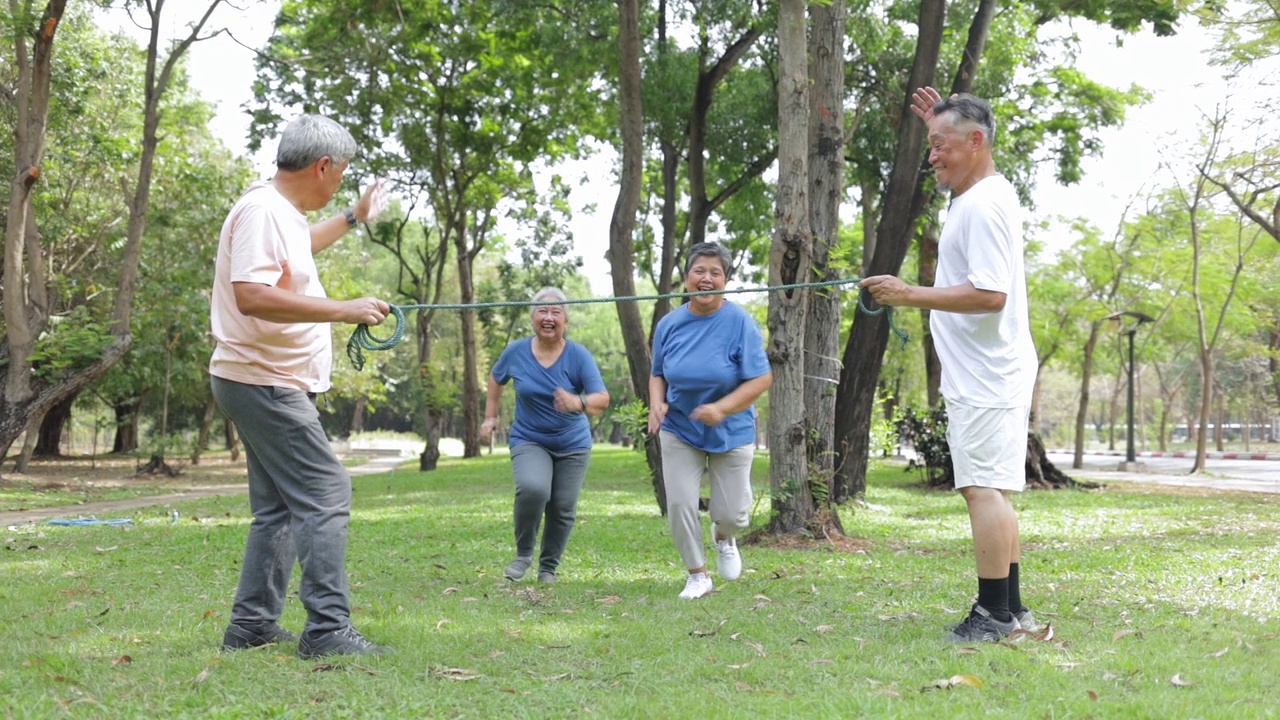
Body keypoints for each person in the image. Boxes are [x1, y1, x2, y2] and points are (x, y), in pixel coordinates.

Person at [859, 88, 1039, 643]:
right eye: (929, 144)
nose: (931, 155)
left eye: (940, 145)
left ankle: (992, 618)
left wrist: (909, 293)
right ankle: (1012, 611)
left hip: (988, 374)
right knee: (993, 492)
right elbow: (959, 133)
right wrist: (938, 123)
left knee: (982, 491)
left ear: (976, 142)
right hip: (991, 372)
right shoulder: (980, 193)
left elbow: (990, 295)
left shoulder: (983, 205)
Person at [211, 114, 392, 659]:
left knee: (280, 509)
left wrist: (353, 217)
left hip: (260, 378)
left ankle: (252, 625)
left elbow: (302, 246)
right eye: (341, 176)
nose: (339, 183)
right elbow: (252, 294)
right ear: (322, 166)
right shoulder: (265, 211)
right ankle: (329, 629)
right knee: (325, 492)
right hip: (265, 381)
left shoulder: (279, 212)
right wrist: (343, 310)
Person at [648, 242, 773, 600]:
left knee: (733, 514)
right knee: (680, 503)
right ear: (686, 279)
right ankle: (697, 574)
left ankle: (725, 537)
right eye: (698, 271)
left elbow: (761, 379)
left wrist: (722, 409)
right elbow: (657, 373)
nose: (706, 278)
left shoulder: (740, 323)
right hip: (680, 428)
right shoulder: (669, 324)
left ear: (726, 280)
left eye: (715, 272)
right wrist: (656, 403)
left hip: (731, 430)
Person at [480, 288, 610, 585]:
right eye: (542, 311)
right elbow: (495, 379)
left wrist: (577, 402)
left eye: (556, 312)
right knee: (533, 488)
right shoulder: (516, 352)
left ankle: (548, 568)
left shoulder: (578, 356)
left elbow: (602, 399)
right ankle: (524, 553)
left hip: (573, 444)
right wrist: (490, 417)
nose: (548, 317)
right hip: (530, 438)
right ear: (532, 318)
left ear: (566, 320)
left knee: (563, 506)